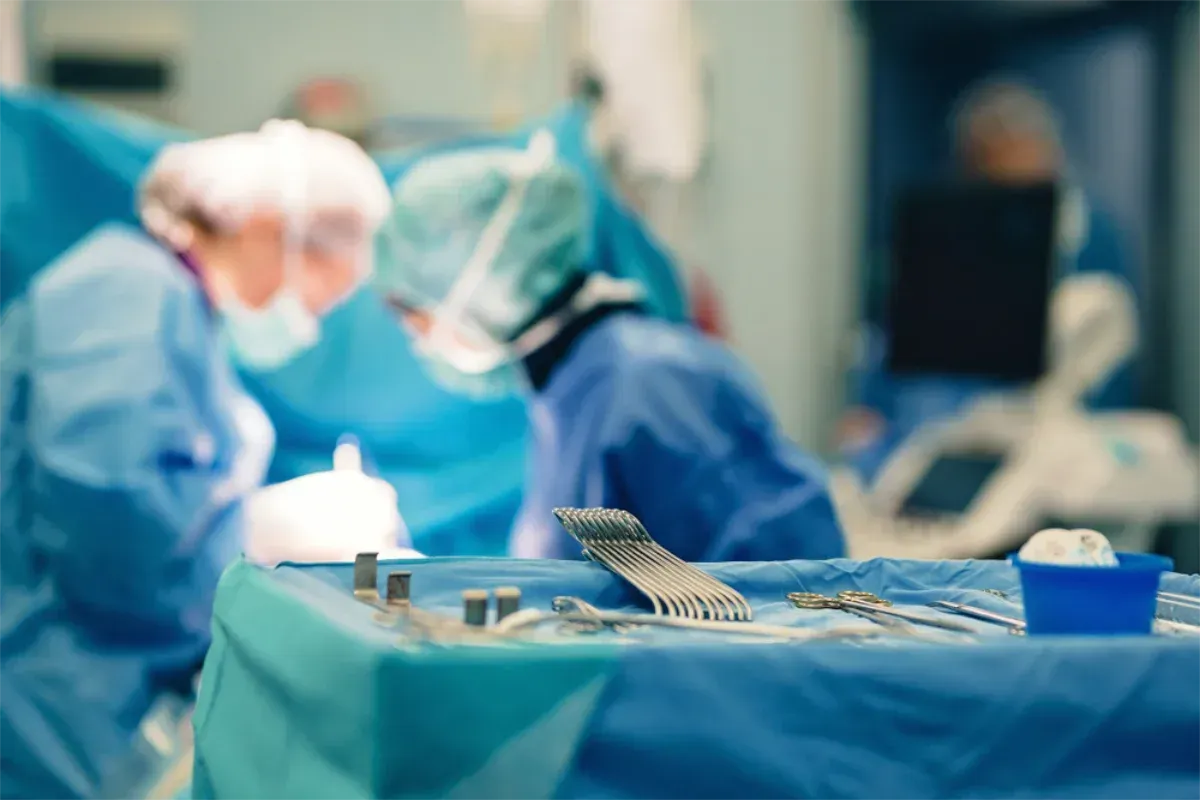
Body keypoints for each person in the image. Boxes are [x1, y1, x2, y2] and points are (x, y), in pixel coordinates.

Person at [0, 119, 391, 798]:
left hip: (90, 699)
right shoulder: (122, 299)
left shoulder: (167, 304)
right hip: (49, 696)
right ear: (269, 229)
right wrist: (254, 536)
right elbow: (112, 533)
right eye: (321, 290)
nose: (311, 319)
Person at [374, 131, 845, 563]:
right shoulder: (571, 388)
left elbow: (778, 575)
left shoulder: (653, 381)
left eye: (417, 318)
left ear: (481, 284)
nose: (422, 341)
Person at [838, 79, 1137, 482]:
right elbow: (896, 358)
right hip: (932, 448)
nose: (1005, 178)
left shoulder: (1089, 241)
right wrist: (870, 419)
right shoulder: (944, 243)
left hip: (1042, 455)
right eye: (987, 164)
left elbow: (1100, 373)